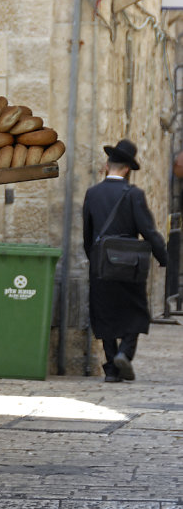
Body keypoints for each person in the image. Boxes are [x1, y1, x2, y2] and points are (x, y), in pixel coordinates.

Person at [82, 138, 167, 382]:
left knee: (104, 312)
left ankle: (111, 368)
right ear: (128, 168)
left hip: (100, 263)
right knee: (136, 311)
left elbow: (87, 234)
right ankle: (124, 353)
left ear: (107, 165)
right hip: (130, 264)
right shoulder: (134, 195)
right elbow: (148, 231)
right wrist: (163, 256)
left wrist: (95, 258)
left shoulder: (93, 193)